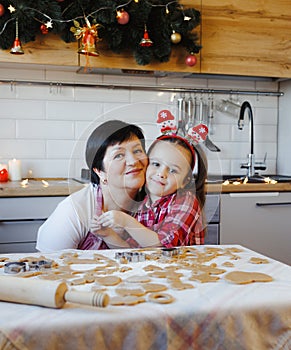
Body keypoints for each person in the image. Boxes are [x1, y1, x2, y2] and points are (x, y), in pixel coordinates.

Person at [36, 120, 148, 252]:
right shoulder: (75, 210)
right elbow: (49, 264)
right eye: (119, 155)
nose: (133, 161)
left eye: (137, 151)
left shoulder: (155, 204)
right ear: (99, 171)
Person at [93, 133, 207, 248]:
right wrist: (108, 235)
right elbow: (130, 252)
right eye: (156, 164)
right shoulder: (142, 205)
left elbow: (163, 247)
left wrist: (126, 221)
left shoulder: (185, 201)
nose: (161, 174)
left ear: (185, 181)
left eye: (173, 171)